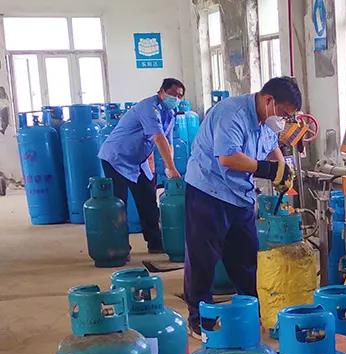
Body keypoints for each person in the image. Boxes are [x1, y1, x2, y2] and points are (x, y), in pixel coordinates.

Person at [183, 77, 299, 337]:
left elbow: (271, 146)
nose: (283, 120)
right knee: (203, 259)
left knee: (246, 257)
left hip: (241, 195)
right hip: (208, 192)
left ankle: (251, 310)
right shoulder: (232, 114)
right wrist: (267, 170)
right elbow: (228, 157)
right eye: (283, 113)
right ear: (269, 100)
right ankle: (198, 318)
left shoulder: (266, 120)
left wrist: (283, 169)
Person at [98, 78, 185, 253]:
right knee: (118, 204)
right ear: (162, 91)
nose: (176, 98)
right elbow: (158, 138)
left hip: (138, 161)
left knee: (148, 200)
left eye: (180, 96)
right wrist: (171, 168)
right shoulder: (149, 107)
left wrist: (170, 166)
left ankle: (155, 243)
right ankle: (119, 247)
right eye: (173, 94)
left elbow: (168, 142)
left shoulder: (170, 113)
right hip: (116, 158)